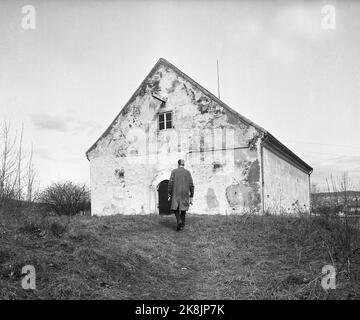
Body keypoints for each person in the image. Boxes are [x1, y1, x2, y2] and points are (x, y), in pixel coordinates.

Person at [167, 159, 194, 231]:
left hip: (176, 192)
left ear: (178, 164)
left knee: (175, 208)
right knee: (183, 209)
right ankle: (182, 225)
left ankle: (179, 220)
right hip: (185, 193)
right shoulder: (188, 172)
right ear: (183, 165)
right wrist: (191, 195)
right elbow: (191, 185)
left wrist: (169, 193)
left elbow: (170, 183)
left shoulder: (174, 171)